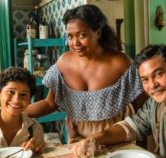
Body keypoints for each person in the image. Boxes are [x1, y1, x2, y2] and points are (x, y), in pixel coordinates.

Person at [25, 4, 146, 143]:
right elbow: (50, 104)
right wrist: (17, 112)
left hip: (114, 138)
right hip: (77, 138)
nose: (75, 42)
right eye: (70, 36)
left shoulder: (121, 63)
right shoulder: (63, 63)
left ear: (98, 33)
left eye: (82, 35)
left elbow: (141, 105)